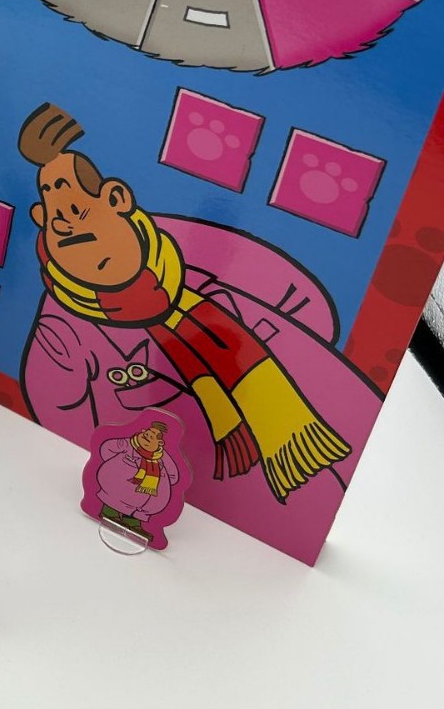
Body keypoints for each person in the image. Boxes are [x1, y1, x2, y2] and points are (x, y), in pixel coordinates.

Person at [19, 101, 350, 502]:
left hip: (298, 478)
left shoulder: (193, 246)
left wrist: (278, 348)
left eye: (78, 210)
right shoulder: (62, 327)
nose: (68, 225)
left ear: (116, 198)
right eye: (56, 221)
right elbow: (55, 415)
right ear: (41, 220)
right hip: (164, 485)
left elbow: (308, 305)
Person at [95, 421, 181, 542]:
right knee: (116, 499)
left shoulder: (161, 457)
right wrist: (116, 467)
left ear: (160, 443)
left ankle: (133, 524)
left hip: (143, 500)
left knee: (137, 509)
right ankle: (109, 512)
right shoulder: (129, 444)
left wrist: (161, 481)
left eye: (152, 437)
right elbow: (107, 448)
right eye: (146, 434)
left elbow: (173, 476)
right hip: (119, 488)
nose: (147, 436)